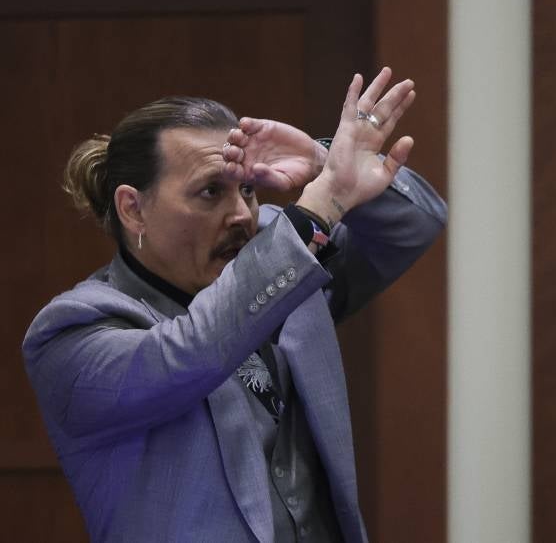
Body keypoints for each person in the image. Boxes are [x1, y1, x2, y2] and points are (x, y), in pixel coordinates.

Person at [22, 68, 447, 542]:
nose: (243, 214)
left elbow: (416, 223)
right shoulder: (71, 332)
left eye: (246, 188)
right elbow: (192, 352)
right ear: (132, 208)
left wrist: (319, 160)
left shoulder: (279, 255)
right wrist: (320, 205)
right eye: (211, 192)